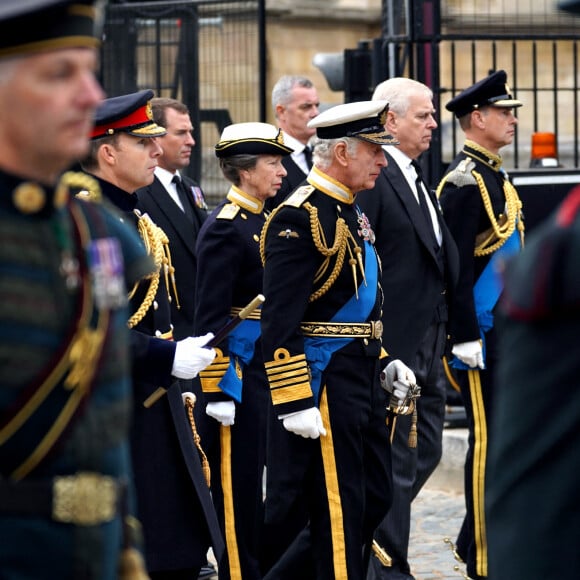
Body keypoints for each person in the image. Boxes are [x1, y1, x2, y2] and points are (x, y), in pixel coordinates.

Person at [0, 2, 157, 578]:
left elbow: (103, 432)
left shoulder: (97, 232)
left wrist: (126, 551)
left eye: (89, 72)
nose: (90, 96)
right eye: (60, 75)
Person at [259, 100, 418, 580]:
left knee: (374, 497)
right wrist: (293, 400)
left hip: (361, 372)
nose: (383, 161)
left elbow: (360, 300)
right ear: (344, 153)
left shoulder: (349, 212)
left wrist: (385, 357)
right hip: (323, 382)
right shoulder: (298, 216)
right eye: (375, 150)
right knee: (338, 508)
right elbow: (280, 320)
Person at [80, 89, 225, 580]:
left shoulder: (133, 217)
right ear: (107, 152)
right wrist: (165, 356)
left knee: (178, 546)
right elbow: (92, 332)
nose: (157, 152)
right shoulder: (92, 224)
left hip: (158, 404)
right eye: (143, 143)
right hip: (122, 411)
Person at [357, 77, 459, 580]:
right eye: (424, 115)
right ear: (390, 121)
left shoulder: (418, 177)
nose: (435, 125)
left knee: (429, 446)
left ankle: (367, 533)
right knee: (398, 454)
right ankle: (388, 565)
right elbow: (364, 262)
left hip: (431, 336)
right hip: (394, 343)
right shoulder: (377, 180)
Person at [436, 70, 525, 580]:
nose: (512, 119)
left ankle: (482, 537)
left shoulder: (495, 175)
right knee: (487, 444)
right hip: (481, 339)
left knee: (505, 442)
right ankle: (483, 558)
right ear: (477, 118)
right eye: (504, 112)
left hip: (507, 333)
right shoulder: (464, 183)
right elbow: (457, 272)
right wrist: (464, 336)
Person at [194, 122, 292, 579]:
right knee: (238, 489)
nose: (282, 172)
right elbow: (210, 319)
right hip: (240, 376)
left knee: (275, 486)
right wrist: (217, 391)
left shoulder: (271, 221)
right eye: (273, 163)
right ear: (245, 171)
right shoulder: (225, 228)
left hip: (273, 368)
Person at [137, 96, 209, 341]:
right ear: (155, 137)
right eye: (181, 133)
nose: (191, 141)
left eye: (190, 132)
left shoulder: (189, 187)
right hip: (170, 331)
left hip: (200, 326)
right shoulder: (139, 193)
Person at [265, 75, 320, 210]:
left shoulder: (320, 153)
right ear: (282, 111)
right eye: (306, 107)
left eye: (316, 105)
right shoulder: (267, 159)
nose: (315, 113)